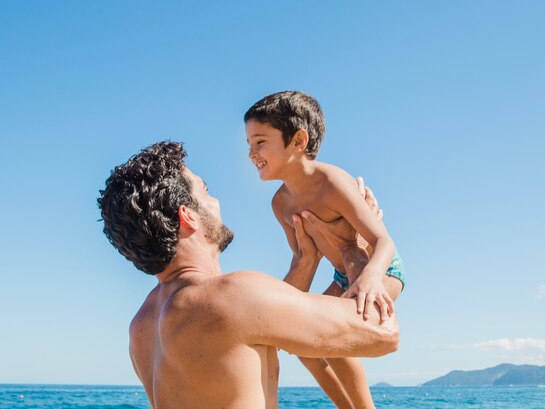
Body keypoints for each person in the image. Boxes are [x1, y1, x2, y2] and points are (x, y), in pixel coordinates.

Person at [97, 141, 399, 409]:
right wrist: (352, 246)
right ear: (187, 216)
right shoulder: (233, 296)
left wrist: (304, 261)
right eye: (205, 191)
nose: (216, 202)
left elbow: (261, 333)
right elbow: (382, 332)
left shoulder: (142, 327)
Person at [244, 91, 405, 409]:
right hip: (343, 275)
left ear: (298, 141)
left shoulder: (333, 183)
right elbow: (305, 259)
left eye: (260, 142)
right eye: (249, 145)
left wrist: (371, 278)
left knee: (335, 336)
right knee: (305, 343)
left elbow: (383, 241)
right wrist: (285, 313)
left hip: (381, 269)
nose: (251, 153)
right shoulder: (281, 204)